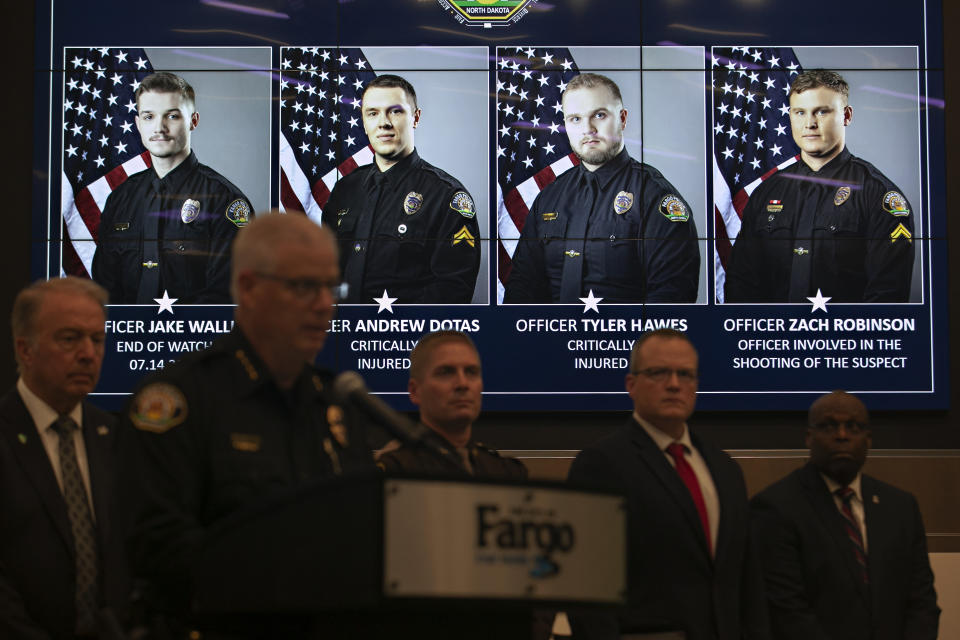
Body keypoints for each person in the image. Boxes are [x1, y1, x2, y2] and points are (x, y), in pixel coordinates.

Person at [122, 212, 374, 631]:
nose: (325, 305)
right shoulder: (179, 401)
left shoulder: (338, 404)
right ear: (248, 288)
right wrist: (297, 574)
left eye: (331, 287)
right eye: (304, 287)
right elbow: (158, 547)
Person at [566, 329, 769, 640]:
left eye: (685, 375)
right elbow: (585, 588)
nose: (674, 384)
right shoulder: (600, 465)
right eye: (659, 373)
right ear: (630, 385)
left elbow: (748, 583)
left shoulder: (726, 470)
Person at [750, 391, 939, 640]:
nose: (841, 435)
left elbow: (922, 602)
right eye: (829, 426)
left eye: (853, 427)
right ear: (809, 437)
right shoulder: (776, 507)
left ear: (868, 439)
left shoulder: (901, 507)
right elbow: (788, 612)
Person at [0, 277, 129, 639]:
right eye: (69, 339)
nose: (88, 353)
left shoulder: (115, 437)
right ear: (25, 349)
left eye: (97, 340)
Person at [504, 73, 700, 304]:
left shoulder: (655, 197)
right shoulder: (549, 197)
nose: (588, 129)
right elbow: (522, 291)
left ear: (623, 119)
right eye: (575, 119)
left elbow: (671, 299)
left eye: (599, 115)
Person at [725, 69, 915, 303]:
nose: (810, 123)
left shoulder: (878, 195)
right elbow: (741, 285)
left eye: (822, 112)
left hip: (845, 338)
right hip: (773, 337)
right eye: (800, 112)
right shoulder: (766, 193)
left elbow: (887, 296)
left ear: (846, 116)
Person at [92, 71, 254, 304]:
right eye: (149, 117)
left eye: (172, 116)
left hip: (196, 339)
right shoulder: (120, 198)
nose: (159, 128)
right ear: (138, 124)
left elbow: (228, 297)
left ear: (193, 121)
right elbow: (103, 292)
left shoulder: (224, 200)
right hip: (127, 339)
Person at [326, 74, 481, 304]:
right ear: (364, 122)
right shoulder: (344, 190)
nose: (384, 123)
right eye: (373, 113)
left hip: (407, 336)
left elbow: (453, 291)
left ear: (415, 118)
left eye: (395, 111)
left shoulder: (445, 196)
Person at [377, 330, 526, 479]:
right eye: (446, 372)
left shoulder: (507, 472)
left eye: (471, 372)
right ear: (415, 391)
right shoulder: (394, 471)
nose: (462, 384)